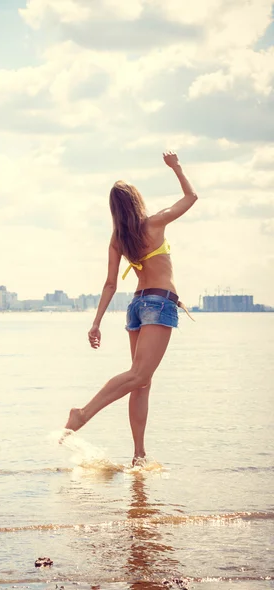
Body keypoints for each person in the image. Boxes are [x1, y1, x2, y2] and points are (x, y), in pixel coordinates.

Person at [63, 151, 198, 466]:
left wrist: (96, 323)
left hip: (136, 307)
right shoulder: (154, 223)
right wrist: (176, 167)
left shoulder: (119, 240)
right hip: (158, 303)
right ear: (136, 201)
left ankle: (139, 455)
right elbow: (191, 197)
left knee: (142, 381)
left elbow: (110, 284)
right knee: (139, 375)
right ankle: (82, 414)